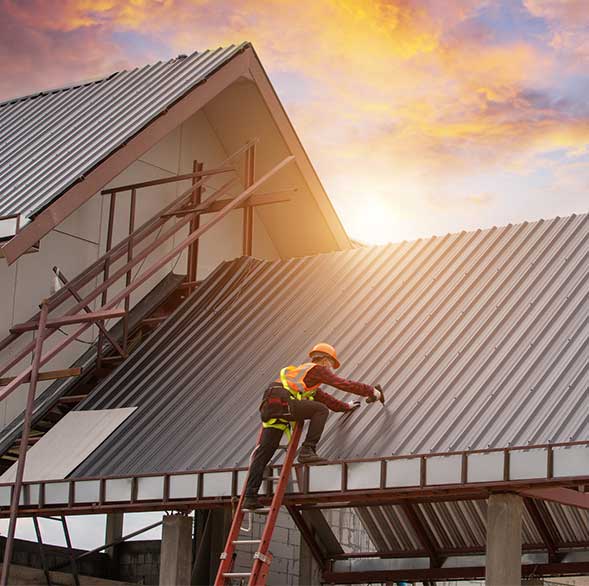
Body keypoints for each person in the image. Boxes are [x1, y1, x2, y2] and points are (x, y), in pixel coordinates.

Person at [243, 343, 384, 510]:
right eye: (331, 364)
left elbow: (325, 398)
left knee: (264, 453)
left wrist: (345, 407)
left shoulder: (304, 378)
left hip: (271, 407)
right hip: (283, 402)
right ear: (325, 360)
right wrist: (371, 391)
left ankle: (250, 498)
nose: (331, 368)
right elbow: (343, 384)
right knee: (320, 410)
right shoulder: (317, 369)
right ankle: (307, 450)